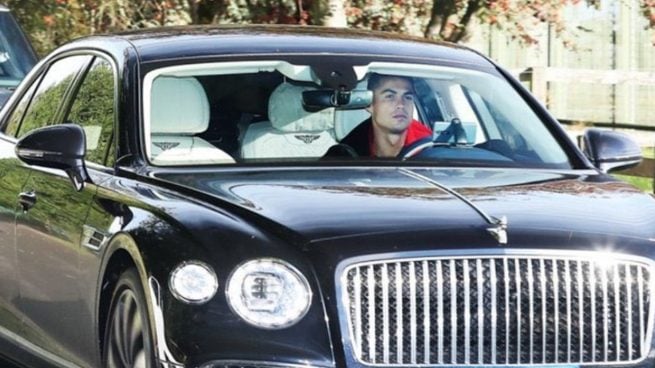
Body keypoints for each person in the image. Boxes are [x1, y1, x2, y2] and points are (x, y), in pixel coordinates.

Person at [339, 73, 432, 157]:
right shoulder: (349, 151)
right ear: (369, 104)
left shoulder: (429, 145)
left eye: (407, 97)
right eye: (390, 96)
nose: (401, 104)